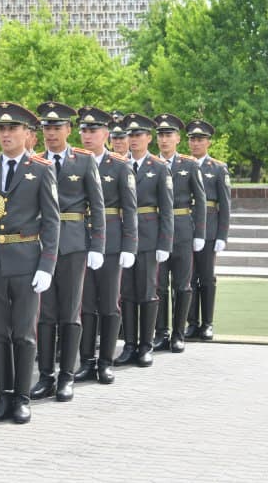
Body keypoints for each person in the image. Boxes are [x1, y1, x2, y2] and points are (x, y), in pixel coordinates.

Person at [0, 101, 59, 426]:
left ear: (27, 134)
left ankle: (21, 397)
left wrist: (47, 265)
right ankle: (3, 396)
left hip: (26, 260)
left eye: (12, 129)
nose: (6, 134)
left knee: (23, 333)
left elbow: (51, 221)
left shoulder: (41, 168)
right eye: (2, 129)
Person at [30, 101, 104, 402]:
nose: (51, 132)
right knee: (45, 313)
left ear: (68, 129)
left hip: (73, 243)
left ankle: (66, 376)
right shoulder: (34, 161)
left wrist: (97, 245)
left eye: (57, 127)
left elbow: (97, 206)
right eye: (46, 127)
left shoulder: (84, 161)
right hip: (43, 244)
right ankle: (46, 375)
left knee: (70, 313)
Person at [74, 106, 137, 385]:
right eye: (84, 131)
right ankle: (86, 360)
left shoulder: (120, 165)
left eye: (93, 131)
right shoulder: (74, 162)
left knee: (109, 304)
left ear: (106, 134)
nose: (88, 136)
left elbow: (130, 208)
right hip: (81, 241)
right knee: (85, 305)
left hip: (110, 242)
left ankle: (106, 361)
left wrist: (129, 246)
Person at [117, 114, 173, 368]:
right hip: (123, 236)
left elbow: (167, 208)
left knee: (148, 292)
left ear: (149, 138)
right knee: (127, 293)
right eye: (130, 135)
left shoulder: (159, 167)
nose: (134, 140)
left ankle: (146, 345)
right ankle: (129, 344)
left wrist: (165, 243)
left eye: (139, 135)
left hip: (149, 236)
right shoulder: (119, 164)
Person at [152, 114, 206, 354]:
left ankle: (178, 333)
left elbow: (201, 201)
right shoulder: (151, 164)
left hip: (183, 228)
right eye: (160, 135)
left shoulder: (189, 164)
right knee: (160, 285)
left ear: (177, 138)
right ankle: (161, 332)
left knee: (182, 285)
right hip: (157, 231)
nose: (164, 140)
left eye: (168, 135)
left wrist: (200, 233)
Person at [185, 120, 230, 341]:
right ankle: (192, 322)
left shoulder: (217, 168)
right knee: (189, 278)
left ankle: (207, 323)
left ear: (208, 142)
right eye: (192, 139)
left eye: (200, 139)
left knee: (206, 277)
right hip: (188, 227)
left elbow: (225, 204)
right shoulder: (184, 165)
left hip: (210, 229)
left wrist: (222, 235)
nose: (195, 143)